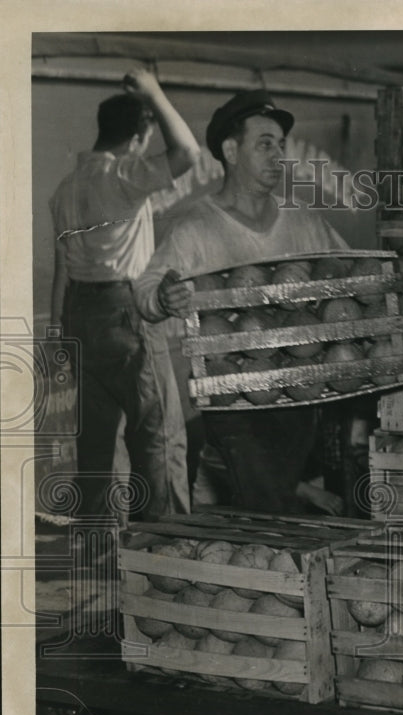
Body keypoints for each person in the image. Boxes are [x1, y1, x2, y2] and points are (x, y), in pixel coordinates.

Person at [133, 89, 349, 514]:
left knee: (278, 510)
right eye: (265, 144)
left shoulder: (304, 221)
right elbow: (144, 291)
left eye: (281, 146)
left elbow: (351, 271)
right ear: (231, 151)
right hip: (235, 405)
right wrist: (162, 297)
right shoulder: (197, 228)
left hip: (301, 400)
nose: (278, 156)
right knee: (265, 513)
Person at [50, 69, 200, 525]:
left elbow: (62, 269)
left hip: (79, 314)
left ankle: (100, 551)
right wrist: (155, 91)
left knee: (96, 443)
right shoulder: (124, 176)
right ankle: (166, 549)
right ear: (139, 136)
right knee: (158, 434)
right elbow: (188, 153)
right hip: (125, 313)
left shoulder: (65, 189)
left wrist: (60, 331)